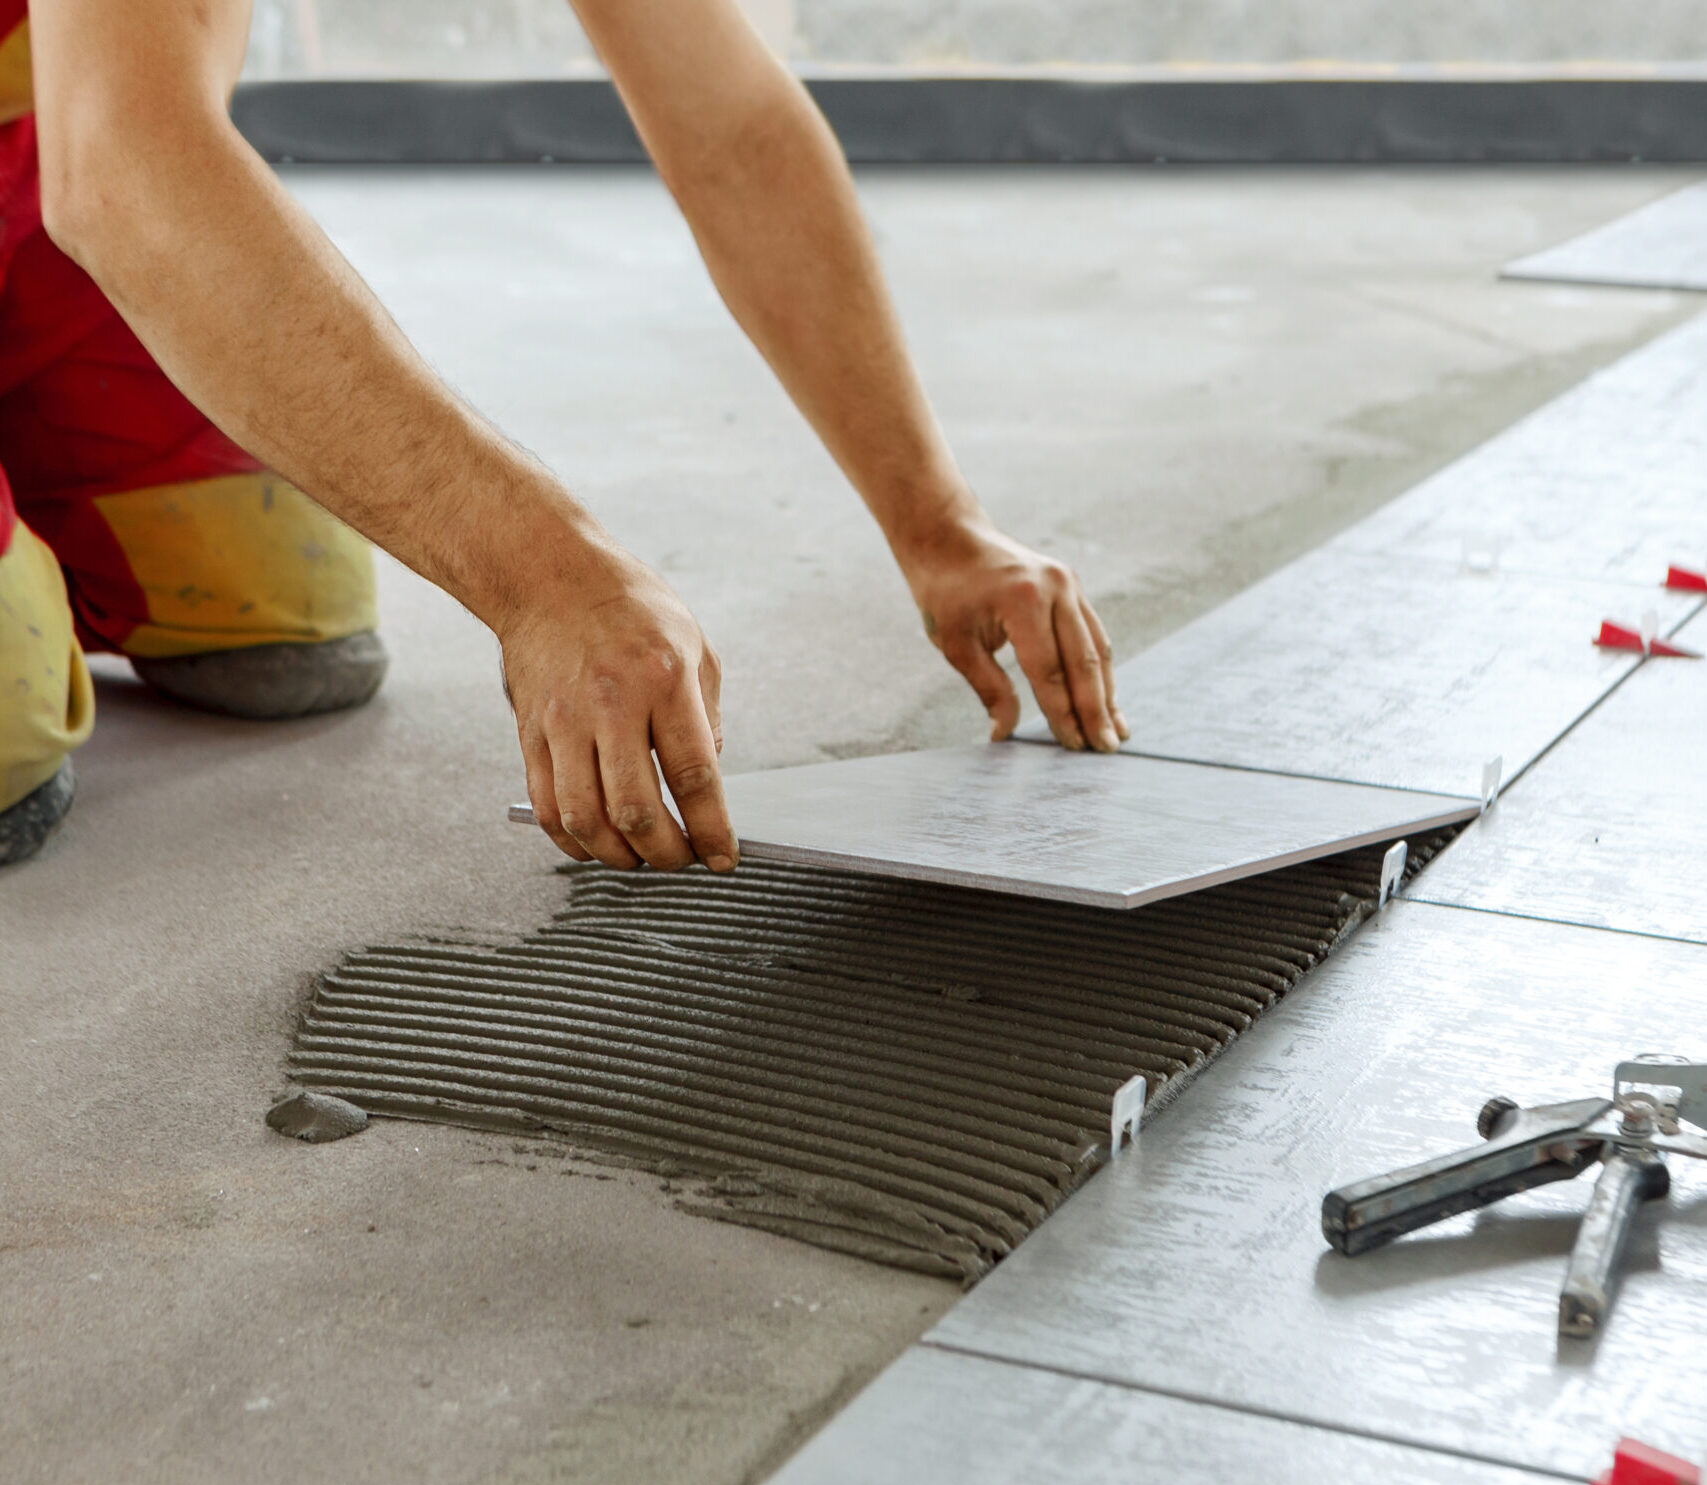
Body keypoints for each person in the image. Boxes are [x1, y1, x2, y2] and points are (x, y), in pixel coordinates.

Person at [0, 0, 1126, 872]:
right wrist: (546, 577)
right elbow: (122, 176)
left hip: (41, 130)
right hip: (92, 155)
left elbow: (732, 131)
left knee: (276, 609)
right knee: (11, 721)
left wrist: (935, 521)